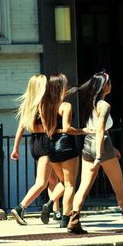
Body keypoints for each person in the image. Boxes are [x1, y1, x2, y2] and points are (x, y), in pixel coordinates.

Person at [66, 71, 123, 234]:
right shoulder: (104, 105)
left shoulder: (90, 102)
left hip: (88, 143)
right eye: (109, 82)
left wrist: (110, 149)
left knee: (83, 186)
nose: (111, 85)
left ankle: (73, 221)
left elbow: (98, 129)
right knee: (118, 186)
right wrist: (100, 155)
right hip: (101, 145)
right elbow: (101, 130)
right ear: (105, 86)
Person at [39, 73, 92, 228]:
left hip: (50, 146)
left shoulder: (43, 106)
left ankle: (49, 204)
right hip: (66, 145)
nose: (67, 87)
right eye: (65, 84)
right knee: (70, 185)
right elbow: (68, 129)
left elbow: (47, 129)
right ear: (60, 87)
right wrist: (84, 130)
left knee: (63, 181)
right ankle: (66, 219)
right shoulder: (65, 106)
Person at [10, 74, 65, 225]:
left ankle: (56, 211)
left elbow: (20, 128)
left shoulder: (28, 104)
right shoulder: (44, 104)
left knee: (52, 179)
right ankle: (21, 207)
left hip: (34, 143)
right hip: (45, 143)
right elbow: (49, 127)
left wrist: (15, 149)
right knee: (42, 182)